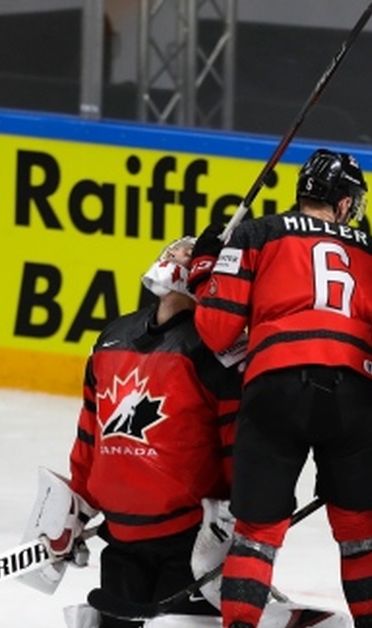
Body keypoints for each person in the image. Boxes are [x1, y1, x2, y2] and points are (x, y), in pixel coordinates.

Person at [187, 149, 372, 628]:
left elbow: (217, 331)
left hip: (277, 386)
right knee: (361, 533)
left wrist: (206, 265)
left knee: (255, 535)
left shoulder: (255, 234)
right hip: (356, 393)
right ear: (346, 203)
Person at [62, 237, 242, 628]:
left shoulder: (217, 353)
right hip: (121, 536)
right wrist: (73, 508)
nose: (178, 256)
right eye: (176, 250)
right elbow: (90, 434)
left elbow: (236, 444)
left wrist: (241, 512)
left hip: (191, 543)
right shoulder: (113, 336)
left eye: (190, 255)